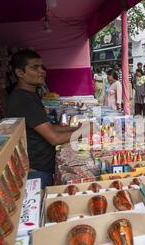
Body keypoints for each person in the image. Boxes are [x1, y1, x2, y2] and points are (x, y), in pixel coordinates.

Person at [6, 49, 88, 188]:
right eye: (34, 67)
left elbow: (47, 127)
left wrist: (76, 127)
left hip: (40, 167)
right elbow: (54, 138)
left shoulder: (28, 95)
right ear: (19, 72)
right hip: (36, 170)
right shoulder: (23, 99)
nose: (42, 71)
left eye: (42, 67)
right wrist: (85, 132)